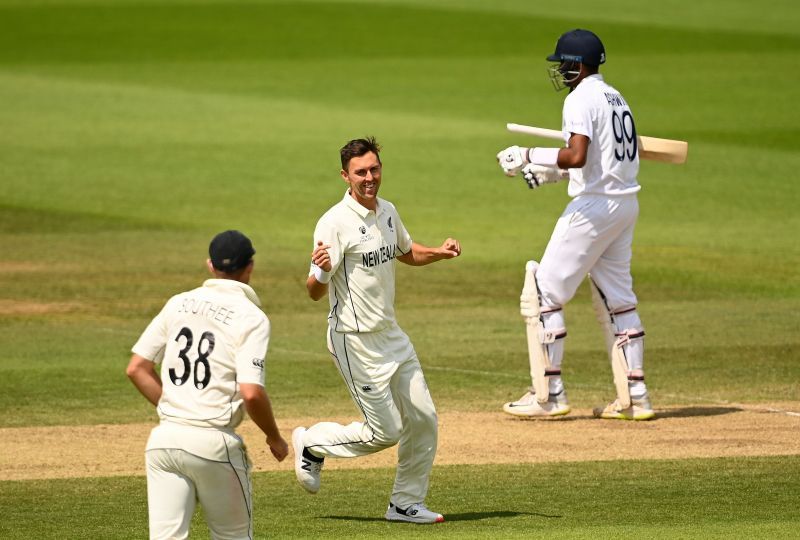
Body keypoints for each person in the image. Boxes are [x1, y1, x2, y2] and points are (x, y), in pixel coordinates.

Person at [293, 137, 461, 524]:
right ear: (345, 176)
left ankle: (405, 503)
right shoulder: (333, 222)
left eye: (374, 169)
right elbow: (314, 292)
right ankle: (313, 443)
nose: (370, 178)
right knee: (385, 432)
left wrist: (438, 251)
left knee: (423, 419)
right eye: (361, 172)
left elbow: (404, 252)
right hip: (354, 341)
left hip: (391, 335)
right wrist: (319, 270)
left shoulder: (387, 211)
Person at [495, 29, 655, 421]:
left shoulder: (580, 99)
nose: (561, 71)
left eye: (564, 64)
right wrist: (553, 173)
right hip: (624, 205)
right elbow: (605, 164)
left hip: (594, 210)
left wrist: (527, 154)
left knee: (542, 293)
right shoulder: (617, 98)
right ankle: (636, 398)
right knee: (619, 301)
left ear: (577, 65)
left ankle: (549, 395)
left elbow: (578, 155)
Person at [126, 230, 289, 540]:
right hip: (214, 445)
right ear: (250, 266)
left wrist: (178, 407)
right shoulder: (251, 317)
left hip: (164, 441)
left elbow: (137, 368)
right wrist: (274, 437)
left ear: (210, 266)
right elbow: (251, 393)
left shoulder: (178, 303)